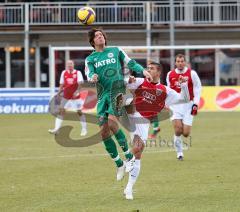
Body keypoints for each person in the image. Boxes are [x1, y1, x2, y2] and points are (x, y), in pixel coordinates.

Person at [85, 28, 153, 181]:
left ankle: (129, 157)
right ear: (92, 41)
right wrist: (92, 76)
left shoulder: (116, 51)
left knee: (112, 123)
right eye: (96, 36)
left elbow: (131, 63)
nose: (100, 37)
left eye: (101, 34)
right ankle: (119, 163)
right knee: (103, 132)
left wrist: (143, 71)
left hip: (118, 91)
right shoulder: (90, 59)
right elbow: (88, 73)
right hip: (103, 96)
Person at [123, 62, 190, 200]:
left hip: (143, 122)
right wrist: (127, 79)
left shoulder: (165, 91)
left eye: (151, 69)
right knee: (124, 98)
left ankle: (129, 187)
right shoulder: (140, 82)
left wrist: (183, 85)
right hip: (130, 114)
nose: (147, 70)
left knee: (137, 153)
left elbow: (184, 98)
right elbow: (121, 83)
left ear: (158, 73)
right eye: (147, 68)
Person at [166, 54, 202, 160]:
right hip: (175, 105)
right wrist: (166, 103)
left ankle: (180, 147)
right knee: (178, 130)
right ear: (175, 63)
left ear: (185, 62)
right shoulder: (170, 74)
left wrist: (196, 104)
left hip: (188, 105)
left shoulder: (192, 73)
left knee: (185, 133)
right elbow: (168, 90)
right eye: (178, 61)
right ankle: (179, 153)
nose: (180, 63)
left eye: (182, 61)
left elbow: (197, 88)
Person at [48, 60, 87, 136]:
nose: (69, 65)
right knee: (61, 111)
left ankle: (84, 129)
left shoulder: (77, 73)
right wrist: (58, 93)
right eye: (68, 64)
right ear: (66, 65)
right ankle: (56, 129)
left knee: (79, 112)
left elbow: (80, 84)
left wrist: (77, 91)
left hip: (76, 97)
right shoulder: (64, 73)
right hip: (66, 96)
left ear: (73, 65)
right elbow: (62, 84)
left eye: (71, 64)